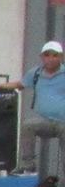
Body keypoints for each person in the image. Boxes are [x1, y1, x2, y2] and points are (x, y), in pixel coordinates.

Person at [20, 40, 65, 176]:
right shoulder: (35, 73)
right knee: (27, 126)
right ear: (42, 57)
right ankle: (28, 166)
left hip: (63, 123)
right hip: (44, 120)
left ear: (61, 57)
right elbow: (20, 85)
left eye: (54, 55)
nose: (50, 59)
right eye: (47, 55)